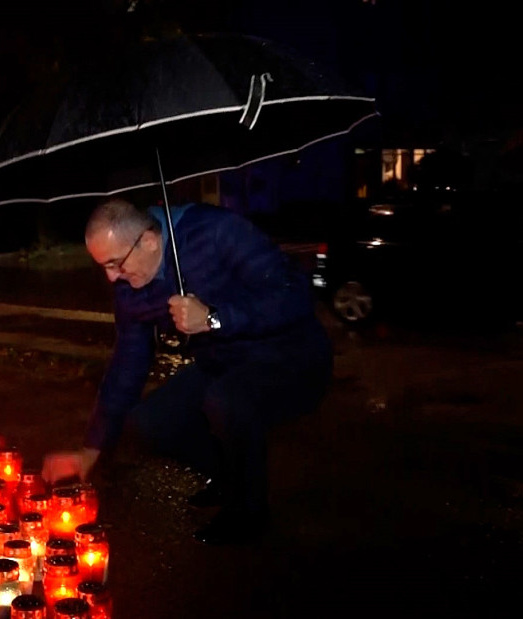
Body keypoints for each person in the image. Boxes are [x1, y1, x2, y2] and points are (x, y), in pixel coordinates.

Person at [42, 198, 333, 545]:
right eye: (103, 267)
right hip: (223, 364)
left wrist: (214, 317)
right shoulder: (130, 288)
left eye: (115, 264)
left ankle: (249, 512)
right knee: (152, 422)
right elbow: (128, 361)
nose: (111, 277)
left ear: (149, 241)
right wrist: (91, 448)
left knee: (225, 400)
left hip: (291, 355)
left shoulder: (215, 232)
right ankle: (229, 475)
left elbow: (294, 294)